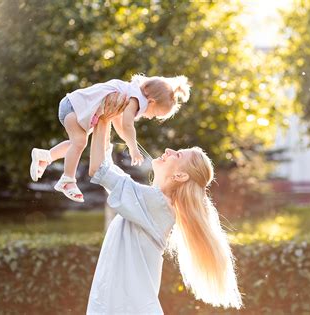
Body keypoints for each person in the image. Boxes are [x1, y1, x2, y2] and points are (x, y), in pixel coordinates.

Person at [85, 93, 242, 314]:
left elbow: (100, 169)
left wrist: (104, 115)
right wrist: (105, 118)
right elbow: (105, 168)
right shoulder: (154, 203)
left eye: (176, 155)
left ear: (180, 176)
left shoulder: (157, 205)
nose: (168, 151)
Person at [29, 74, 190, 203]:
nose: (150, 117)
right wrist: (133, 148)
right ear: (151, 101)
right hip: (73, 106)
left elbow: (119, 125)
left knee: (76, 143)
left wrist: (128, 141)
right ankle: (67, 180)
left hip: (72, 105)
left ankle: (45, 157)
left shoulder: (129, 95)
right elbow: (127, 125)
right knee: (79, 142)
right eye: (154, 114)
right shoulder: (136, 100)